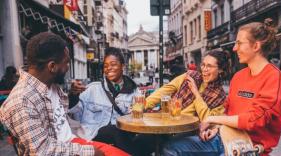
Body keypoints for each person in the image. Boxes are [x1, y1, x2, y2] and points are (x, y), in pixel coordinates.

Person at [162, 18, 281, 156]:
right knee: (169, 145)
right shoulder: (238, 77)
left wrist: (212, 119)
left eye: (239, 43)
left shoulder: (274, 77)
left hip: (248, 147)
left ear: (256, 46)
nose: (234, 48)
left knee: (173, 147)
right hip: (225, 138)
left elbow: (255, 120)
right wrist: (217, 128)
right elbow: (228, 111)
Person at [0, 32, 128, 156]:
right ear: (52, 66)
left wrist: (73, 95)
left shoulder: (50, 84)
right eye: (66, 63)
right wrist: (90, 152)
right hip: (63, 149)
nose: (68, 68)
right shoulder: (22, 102)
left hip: (73, 142)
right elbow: (42, 151)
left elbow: (59, 116)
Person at [68, 47, 138, 154]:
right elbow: (73, 112)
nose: (109, 68)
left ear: (122, 66)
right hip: (93, 135)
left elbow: (138, 118)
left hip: (123, 137)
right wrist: (73, 95)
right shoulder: (92, 89)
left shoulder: (134, 92)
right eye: (105, 66)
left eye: (113, 64)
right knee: (114, 131)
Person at [146, 50, 230, 122]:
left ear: (220, 69)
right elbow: (165, 90)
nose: (204, 69)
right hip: (168, 122)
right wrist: (143, 105)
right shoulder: (190, 76)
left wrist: (196, 93)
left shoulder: (220, 98)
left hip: (188, 132)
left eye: (209, 66)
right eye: (203, 65)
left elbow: (208, 120)